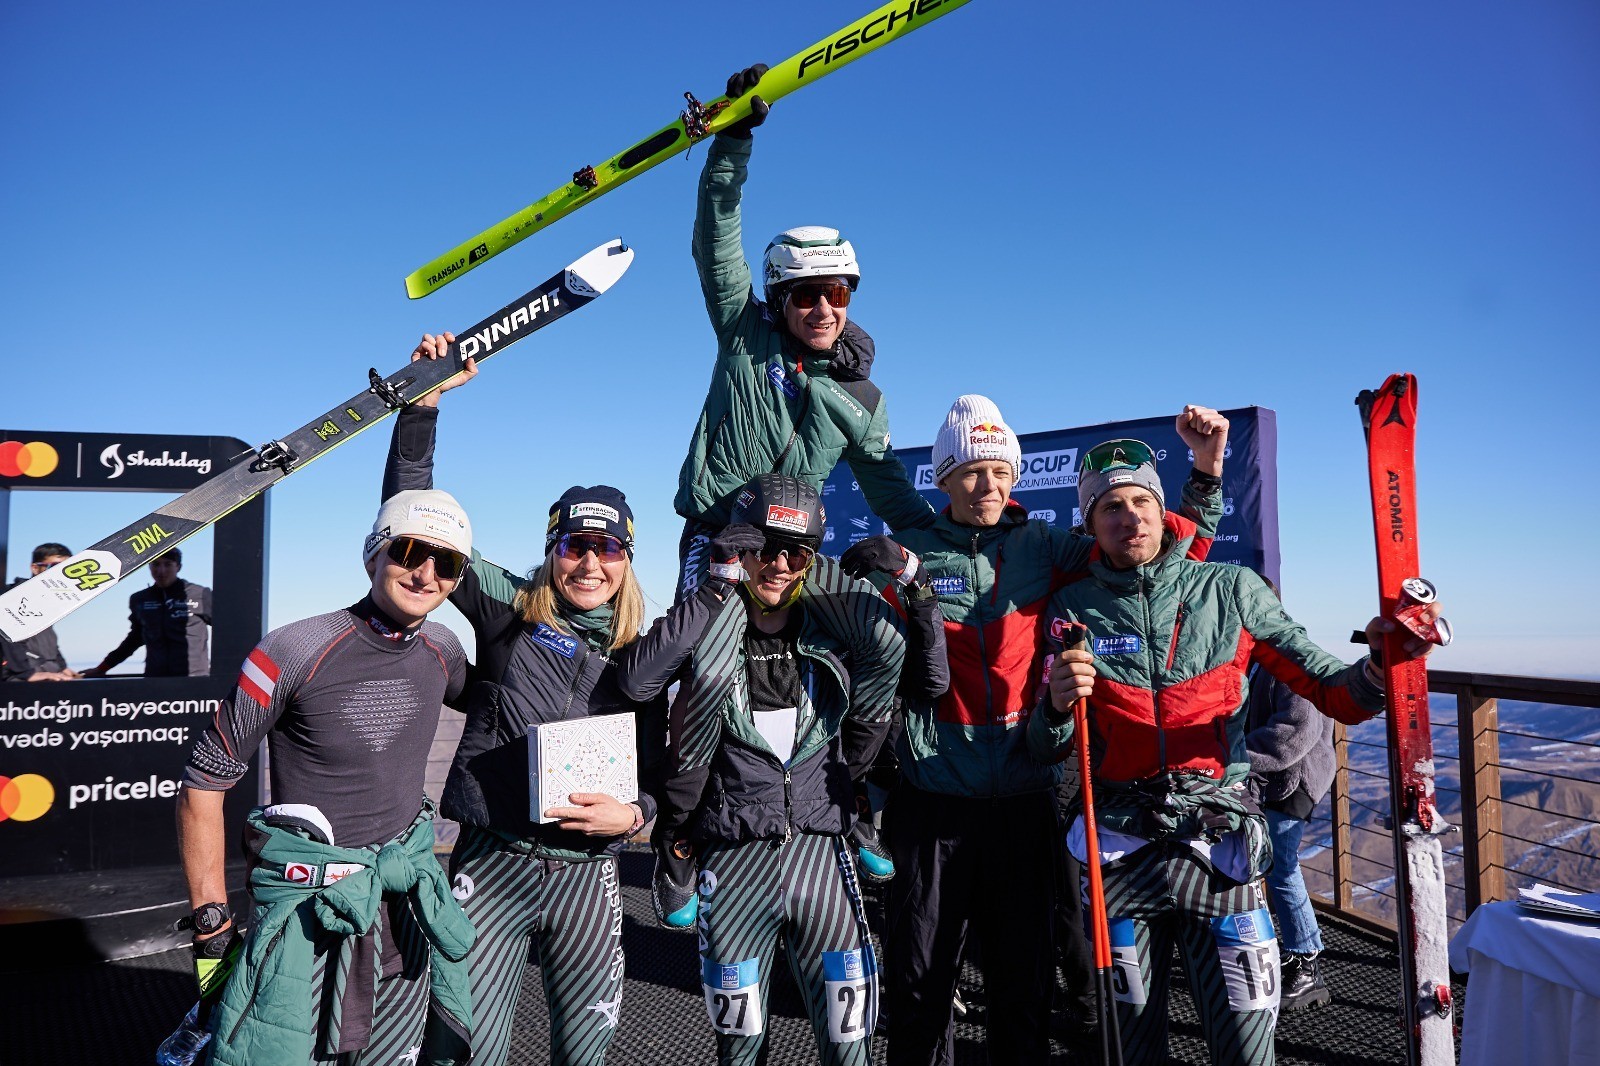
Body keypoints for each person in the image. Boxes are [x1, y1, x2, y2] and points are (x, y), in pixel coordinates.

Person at [1038, 437, 1445, 1066]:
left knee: (1248, 1048)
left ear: (1162, 508)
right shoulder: (1071, 608)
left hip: (1219, 849)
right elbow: (1047, 744)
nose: (1129, 517)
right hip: (1121, 853)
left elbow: (1329, 690)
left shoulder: (1231, 590)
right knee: (1129, 1047)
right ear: (1091, 523)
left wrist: (1383, 664)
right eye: (1110, 506)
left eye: (1141, 500)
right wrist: (1056, 708)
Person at [882, 394, 1229, 1066]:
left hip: (1022, 796)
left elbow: (1161, 546)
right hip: (932, 796)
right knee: (921, 984)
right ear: (945, 477)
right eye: (972, 472)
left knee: (1023, 984)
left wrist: (1206, 474)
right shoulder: (914, 553)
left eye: (1001, 472)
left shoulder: (1044, 545)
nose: (988, 486)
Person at [387, 333, 668, 1066]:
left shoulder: (647, 652)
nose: (589, 562)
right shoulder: (511, 606)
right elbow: (414, 522)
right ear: (552, 550)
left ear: (627, 560)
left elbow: (668, 776)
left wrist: (635, 814)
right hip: (493, 863)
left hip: (587, 879)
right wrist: (422, 408)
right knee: (464, 1050)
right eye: (574, 544)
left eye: (607, 550)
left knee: (585, 1054)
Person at [617, 474, 929, 1066]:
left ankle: (853, 806)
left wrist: (896, 577)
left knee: (850, 1046)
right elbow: (638, 681)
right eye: (766, 548)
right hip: (734, 862)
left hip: (822, 859)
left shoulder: (828, 632)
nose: (781, 565)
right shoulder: (712, 622)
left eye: (798, 553)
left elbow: (896, 652)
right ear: (741, 547)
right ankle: (678, 844)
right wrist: (717, 582)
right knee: (740, 1052)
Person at [176, 489, 475, 1066]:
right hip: (308, 907)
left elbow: (500, 710)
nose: (425, 572)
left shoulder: (443, 648)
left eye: (447, 562)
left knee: (392, 1056)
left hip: (401, 898)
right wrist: (212, 923)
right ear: (374, 555)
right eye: (410, 550)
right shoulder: (291, 650)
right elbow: (203, 783)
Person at [673, 64, 936, 600]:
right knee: (702, 661)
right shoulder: (745, 334)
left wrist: (970, 538)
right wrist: (733, 137)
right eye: (805, 295)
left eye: (836, 294)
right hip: (720, 535)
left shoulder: (862, 400)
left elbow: (898, 505)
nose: (823, 309)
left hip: (794, 552)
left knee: (866, 646)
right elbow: (716, 237)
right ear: (778, 298)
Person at [1243, 577, 1336, 1012]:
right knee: (1268, 866)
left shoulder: (1290, 657)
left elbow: (1294, 736)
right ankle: (1291, 954)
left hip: (1292, 780)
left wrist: (1233, 759)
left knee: (1281, 868)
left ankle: (1307, 961)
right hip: (1270, 779)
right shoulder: (1257, 655)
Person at [84, 547, 211, 677]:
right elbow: (133, 640)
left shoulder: (200, 594)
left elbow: (228, 630)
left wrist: (226, 671)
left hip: (195, 680)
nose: (161, 571)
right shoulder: (140, 599)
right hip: (154, 680)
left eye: (168, 564)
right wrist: (102, 668)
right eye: (156, 564)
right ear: (149, 566)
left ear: (178, 567)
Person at [2, 542, 79, 681]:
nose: (62, 574)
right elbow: (7, 637)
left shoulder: (47, 600)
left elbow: (47, 640)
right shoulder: (12, 597)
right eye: (55, 567)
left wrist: (62, 667)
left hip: (45, 675)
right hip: (19, 683)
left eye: (68, 568)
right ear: (35, 568)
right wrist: (26, 674)